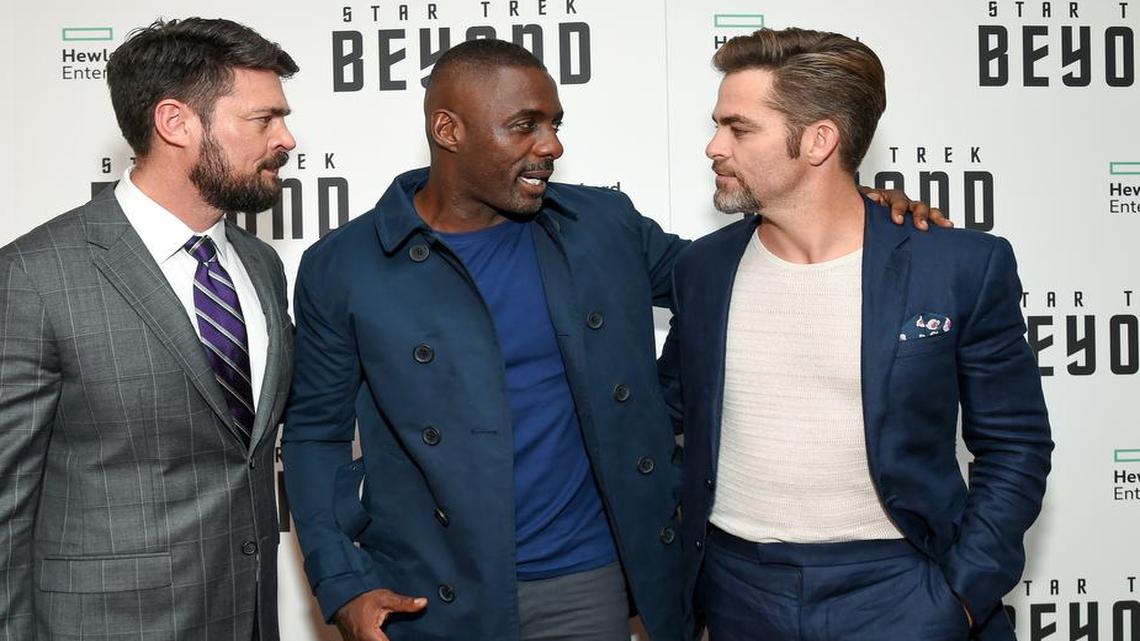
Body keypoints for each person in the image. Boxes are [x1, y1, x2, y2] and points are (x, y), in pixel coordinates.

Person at [281, 38, 942, 641]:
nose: (551, 146)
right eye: (524, 125)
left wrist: (851, 209)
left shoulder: (602, 226)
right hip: (435, 596)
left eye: (554, 123)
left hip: (586, 586)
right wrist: (345, 583)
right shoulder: (347, 265)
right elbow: (314, 435)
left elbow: (743, 271)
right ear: (447, 130)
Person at [663, 27, 1053, 641]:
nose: (714, 146)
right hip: (737, 592)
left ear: (819, 140)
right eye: (718, 125)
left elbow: (1015, 445)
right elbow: (662, 425)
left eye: (739, 128)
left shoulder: (957, 267)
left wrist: (962, 597)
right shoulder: (702, 270)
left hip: (904, 587)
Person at [0, 18, 297, 641]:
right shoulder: (34, 274)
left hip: (248, 618)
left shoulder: (261, 264)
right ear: (176, 122)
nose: (287, 139)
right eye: (263, 119)